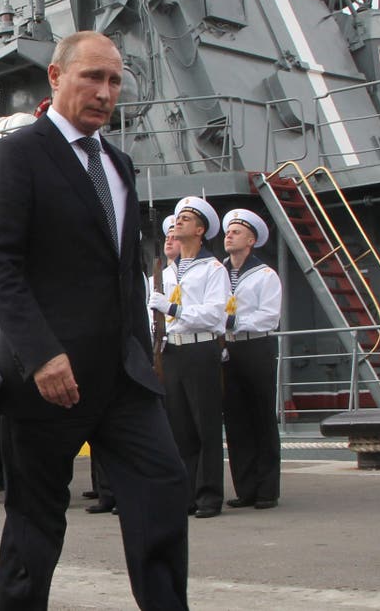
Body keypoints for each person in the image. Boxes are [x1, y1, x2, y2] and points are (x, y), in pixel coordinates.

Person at [0, 31, 189, 609]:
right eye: (91, 76)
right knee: (35, 524)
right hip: (48, 377)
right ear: (55, 77)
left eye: (114, 80)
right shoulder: (16, 156)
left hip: (121, 375)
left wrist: (140, 356)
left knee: (164, 492)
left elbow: (123, 274)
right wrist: (40, 353)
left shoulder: (117, 163)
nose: (104, 91)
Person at [150, 196, 230, 519]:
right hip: (174, 350)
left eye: (186, 218)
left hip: (200, 349)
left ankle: (209, 495)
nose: (178, 222)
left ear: (200, 230)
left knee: (206, 425)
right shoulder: (167, 273)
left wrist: (172, 309)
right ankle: (186, 494)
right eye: (177, 217)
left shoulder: (213, 269)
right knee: (179, 427)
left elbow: (214, 315)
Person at [220, 208, 282, 510]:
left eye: (236, 231)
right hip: (227, 350)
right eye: (228, 230)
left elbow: (269, 317)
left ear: (251, 240)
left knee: (261, 418)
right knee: (235, 420)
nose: (229, 235)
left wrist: (232, 322)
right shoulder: (218, 272)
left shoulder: (265, 276)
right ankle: (245, 488)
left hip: (256, 347)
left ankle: (267, 489)